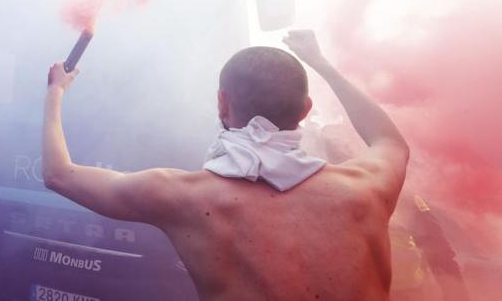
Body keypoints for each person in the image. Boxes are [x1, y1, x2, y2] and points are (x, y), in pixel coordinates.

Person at [42, 30, 409, 301]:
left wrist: (56, 91)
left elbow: (59, 174)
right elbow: (389, 140)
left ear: (222, 104)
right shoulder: (367, 188)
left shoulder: (185, 197)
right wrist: (321, 63)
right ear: (306, 110)